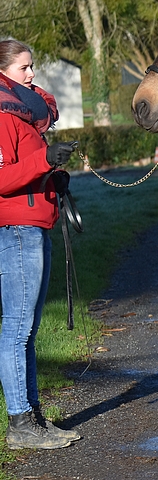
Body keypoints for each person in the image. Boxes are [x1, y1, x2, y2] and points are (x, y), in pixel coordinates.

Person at [0, 39, 80, 449]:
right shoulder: (1, 115)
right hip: (15, 230)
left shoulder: (26, 115)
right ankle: (19, 424)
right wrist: (45, 161)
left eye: (32, 67)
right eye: (23, 68)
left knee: (28, 330)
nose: (32, 75)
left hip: (35, 225)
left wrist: (52, 178)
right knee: (16, 328)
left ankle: (32, 418)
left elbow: (25, 173)